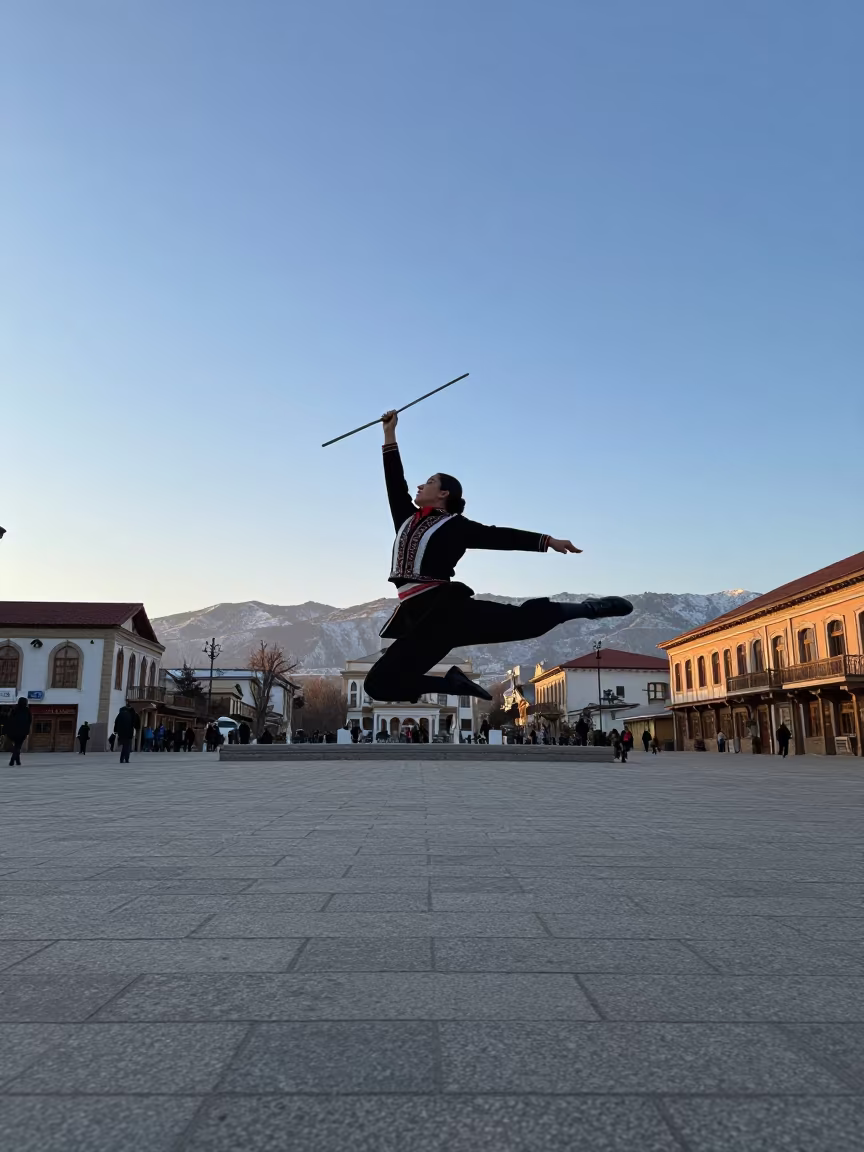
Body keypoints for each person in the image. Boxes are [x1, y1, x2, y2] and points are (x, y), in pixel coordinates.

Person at [363, 410, 632, 706]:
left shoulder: (455, 525)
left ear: (443, 494)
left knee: (524, 622)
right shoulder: (405, 518)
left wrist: (548, 541)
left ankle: (588, 608)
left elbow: (501, 536)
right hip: (417, 621)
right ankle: (452, 683)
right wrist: (389, 434)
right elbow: (393, 481)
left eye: (428, 482)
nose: (419, 486)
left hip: (447, 610)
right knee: (377, 685)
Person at [5, 697, 32, 766]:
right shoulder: (27, 710)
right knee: (18, 746)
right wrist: (27, 731)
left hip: (12, 731)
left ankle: (18, 761)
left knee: (16, 746)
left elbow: (9, 719)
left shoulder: (14, 709)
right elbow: (29, 721)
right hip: (22, 732)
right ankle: (12, 760)